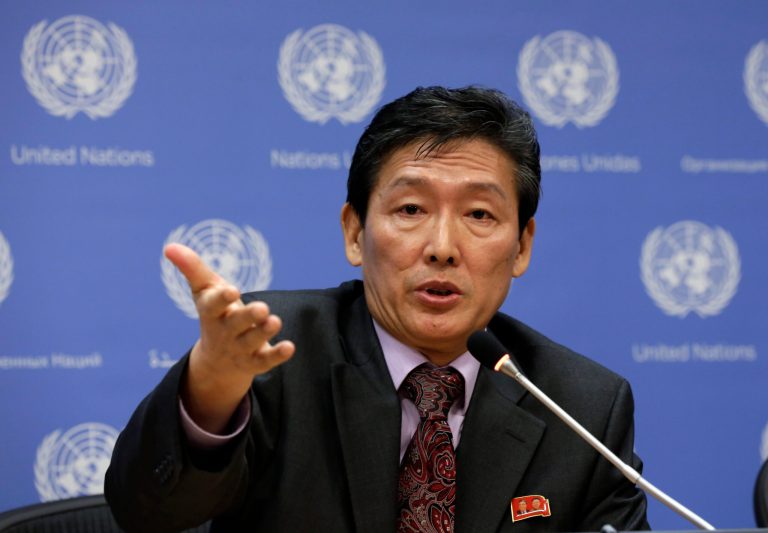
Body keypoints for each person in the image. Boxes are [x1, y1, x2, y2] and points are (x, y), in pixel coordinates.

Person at [105, 86, 650, 532]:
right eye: (411, 208)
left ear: (522, 246)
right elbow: (148, 513)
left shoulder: (583, 408)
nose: (442, 247)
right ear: (354, 232)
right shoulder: (272, 354)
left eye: (479, 214)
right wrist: (211, 390)